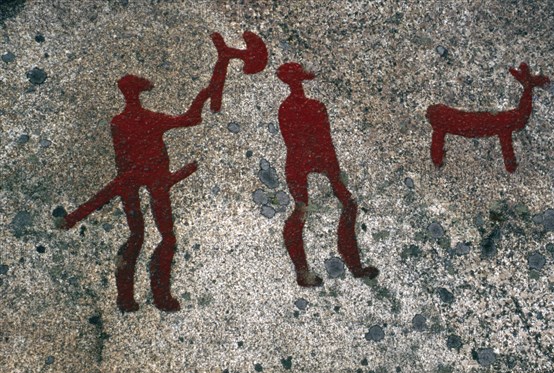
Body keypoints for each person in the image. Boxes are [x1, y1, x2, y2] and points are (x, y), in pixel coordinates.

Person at [61, 32, 267, 312]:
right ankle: (158, 295)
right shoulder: (148, 119)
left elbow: (122, 158)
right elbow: (191, 119)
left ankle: (128, 297)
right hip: (152, 179)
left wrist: (129, 181)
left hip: (137, 178)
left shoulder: (120, 121)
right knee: (164, 236)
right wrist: (203, 95)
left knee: (137, 235)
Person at [277, 62, 379, 287]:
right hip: (316, 159)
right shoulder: (315, 106)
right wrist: (334, 175)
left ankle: (304, 271)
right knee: (344, 205)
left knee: (302, 210)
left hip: (298, 161)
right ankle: (353, 266)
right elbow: (325, 143)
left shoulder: (286, 108)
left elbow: (296, 144)